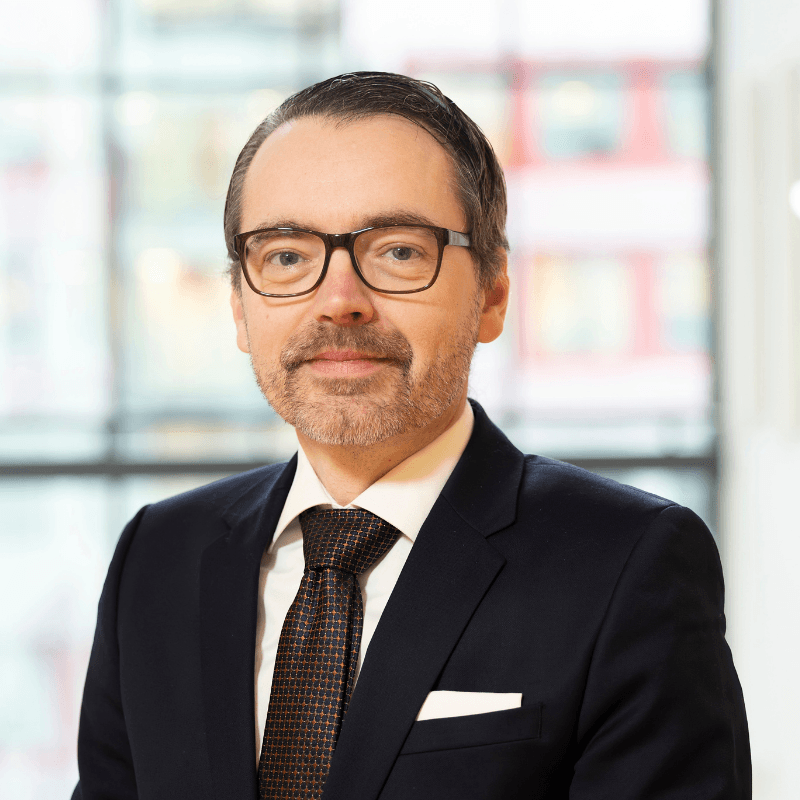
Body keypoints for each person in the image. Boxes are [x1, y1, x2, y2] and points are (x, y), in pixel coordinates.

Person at [72, 72, 750, 800]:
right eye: (287, 256)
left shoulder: (628, 564)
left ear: (492, 293)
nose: (339, 301)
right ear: (240, 306)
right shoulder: (158, 558)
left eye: (398, 251)